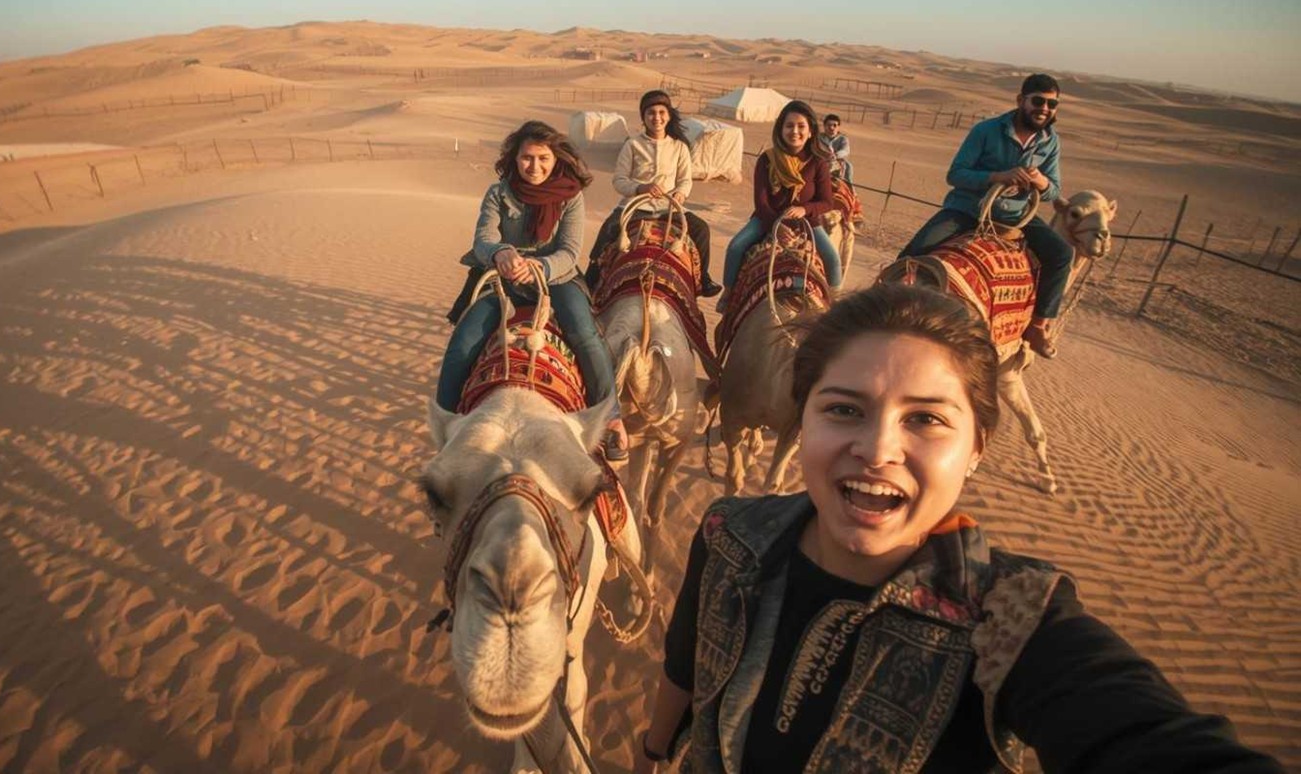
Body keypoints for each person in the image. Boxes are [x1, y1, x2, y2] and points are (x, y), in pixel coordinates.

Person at [634, 283, 1283, 773]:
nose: (877, 448)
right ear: (800, 418)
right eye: (842, 408)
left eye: (925, 419)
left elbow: (1140, 734)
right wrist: (653, 750)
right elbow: (686, 662)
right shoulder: (728, 532)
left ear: (977, 447)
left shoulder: (1013, 619)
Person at [436, 120, 628, 459]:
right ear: (515, 157)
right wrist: (500, 253)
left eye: (543, 158)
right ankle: (447, 429)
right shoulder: (498, 193)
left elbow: (569, 251)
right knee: (461, 345)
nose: (534, 167)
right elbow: (483, 239)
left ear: (556, 159)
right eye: (527, 158)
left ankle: (611, 417)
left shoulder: (571, 196)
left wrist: (539, 266)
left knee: (585, 334)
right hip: (503, 280)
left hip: (555, 278)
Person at [898, 73, 1069, 359]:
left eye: (1052, 104)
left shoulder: (1051, 142)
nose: (1044, 109)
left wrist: (1041, 182)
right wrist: (997, 176)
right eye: (1038, 101)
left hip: (1017, 217)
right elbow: (956, 174)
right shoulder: (986, 131)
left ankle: (1037, 325)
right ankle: (884, 310)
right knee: (912, 255)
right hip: (969, 209)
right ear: (1021, 101)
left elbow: (1053, 190)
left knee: (1062, 254)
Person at [585, 90, 722, 298]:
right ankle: (590, 279)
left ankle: (703, 278)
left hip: (669, 207)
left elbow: (685, 180)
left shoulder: (679, 147)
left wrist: (680, 194)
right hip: (636, 206)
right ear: (643, 117)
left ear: (668, 115)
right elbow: (619, 180)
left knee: (701, 229)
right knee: (608, 229)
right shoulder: (632, 145)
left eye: (661, 112)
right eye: (651, 113)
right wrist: (641, 188)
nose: (656, 117)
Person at [717, 100, 842, 313]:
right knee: (736, 246)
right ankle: (728, 294)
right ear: (781, 129)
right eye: (789, 125)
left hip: (807, 222)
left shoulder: (818, 163)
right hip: (767, 218)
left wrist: (805, 210)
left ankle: (836, 307)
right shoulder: (767, 160)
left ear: (811, 131)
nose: (795, 131)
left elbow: (827, 202)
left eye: (801, 126)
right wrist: (776, 225)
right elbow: (762, 201)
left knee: (832, 257)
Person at [817, 113, 852, 184]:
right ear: (824, 126)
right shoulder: (818, 138)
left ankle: (851, 189)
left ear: (838, 127)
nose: (831, 127)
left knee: (848, 167)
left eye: (834, 125)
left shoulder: (843, 139)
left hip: (838, 163)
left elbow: (845, 150)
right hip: (819, 161)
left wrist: (835, 155)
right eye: (829, 125)